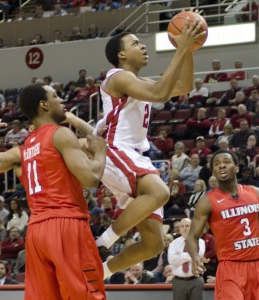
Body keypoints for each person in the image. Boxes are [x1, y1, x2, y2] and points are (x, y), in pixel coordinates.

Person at [70, 19, 205, 279]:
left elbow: (183, 87)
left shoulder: (138, 81)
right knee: (160, 191)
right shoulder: (118, 77)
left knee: (153, 244)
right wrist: (180, 49)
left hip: (132, 155)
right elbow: (160, 93)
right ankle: (102, 242)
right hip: (115, 149)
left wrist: (187, 51)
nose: (143, 47)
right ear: (121, 54)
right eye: (136, 44)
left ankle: (101, 271)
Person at [0, 84, 107, 299]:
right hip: (66, 224)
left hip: (36, 232)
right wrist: (100, 154)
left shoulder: (21, 151)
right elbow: (91, 177)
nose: (61, 100)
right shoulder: (61, 135)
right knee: (86, 294)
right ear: (44, 105)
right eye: (55, 96)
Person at [186, 150, 259, 300]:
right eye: (217, 164)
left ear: (236, 167)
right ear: (213, 173)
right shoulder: (207, 201)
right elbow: (192, 236)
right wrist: (195, 256)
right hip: (231, 268)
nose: (222, 166)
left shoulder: (255, 193)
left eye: (226, 162)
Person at [168, 218, 205, 300]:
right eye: (182, 226)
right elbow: (172, 260)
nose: (184, 228)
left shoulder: (200, 242)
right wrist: (190, 255)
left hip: (196, 280)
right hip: (178, 282)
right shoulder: (173, 243)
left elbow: (198, 256)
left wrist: (179, 255)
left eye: (187, 226)